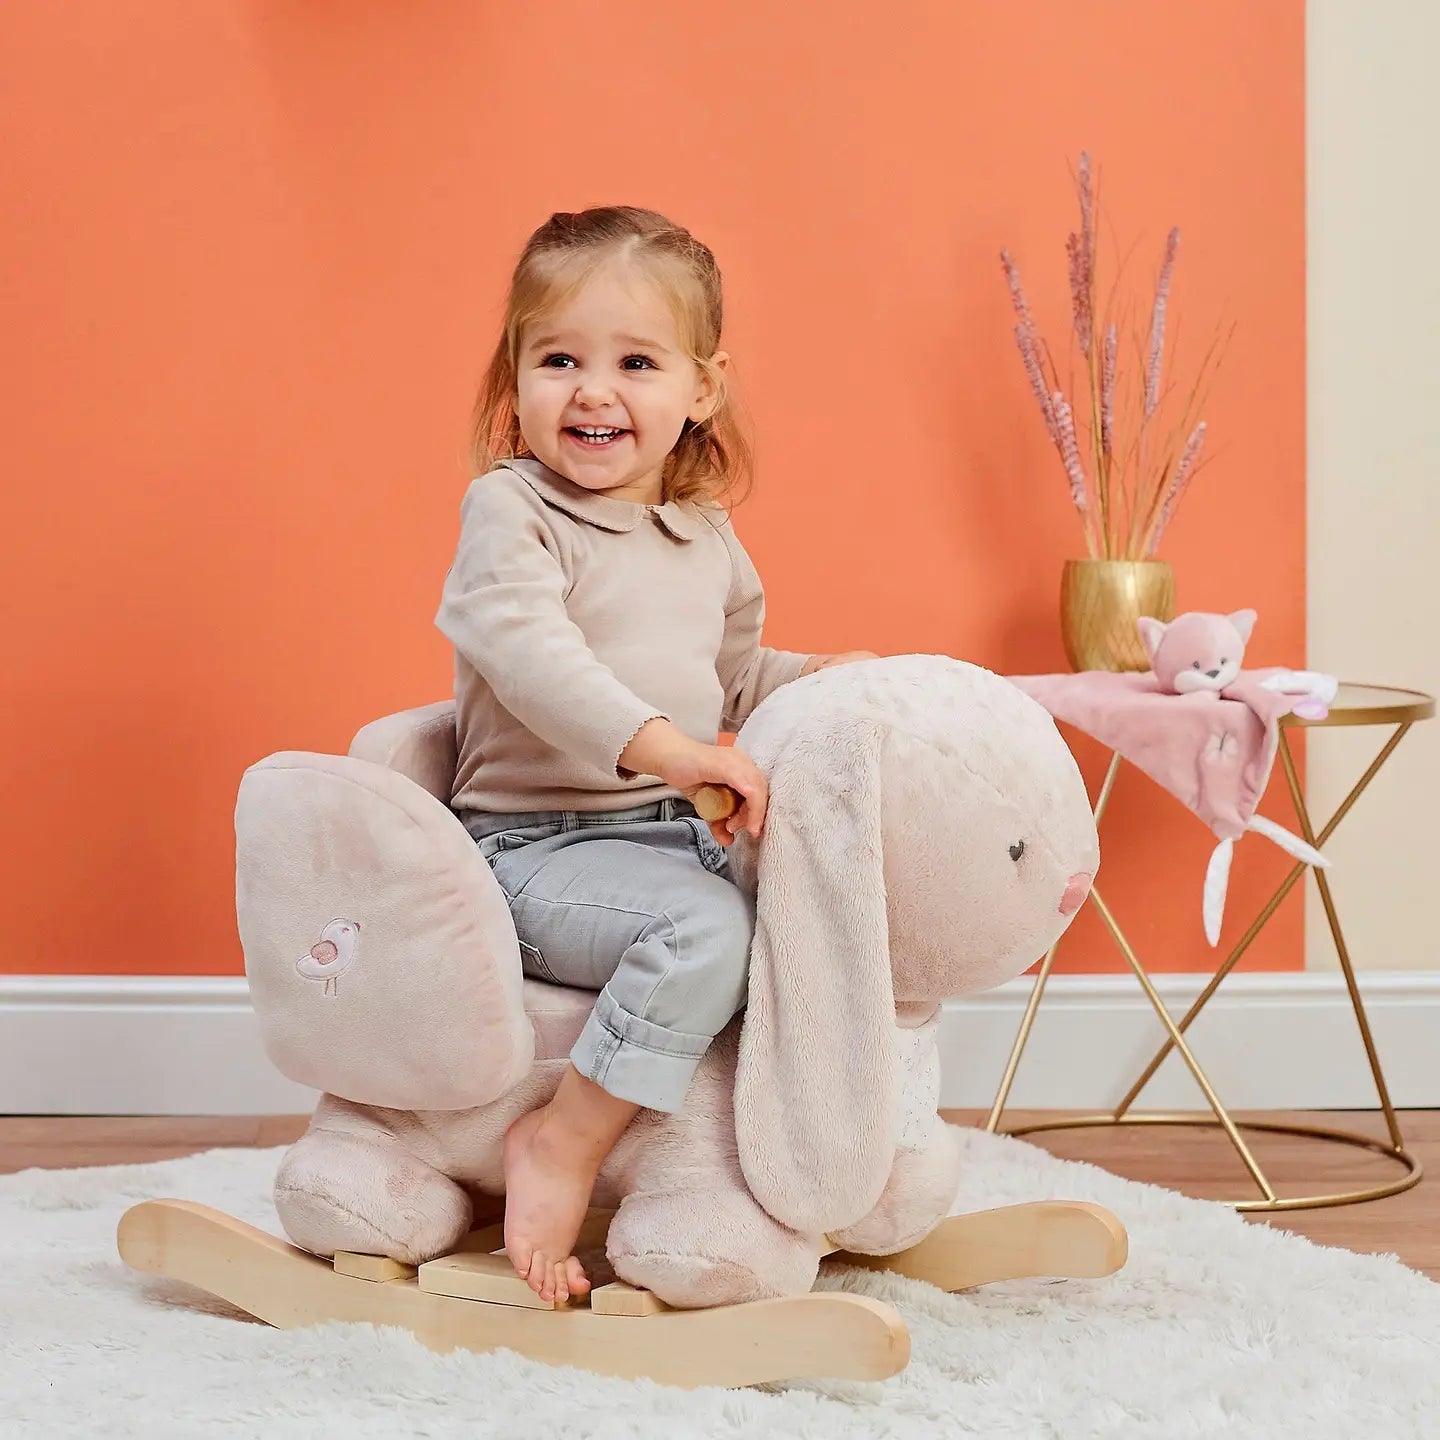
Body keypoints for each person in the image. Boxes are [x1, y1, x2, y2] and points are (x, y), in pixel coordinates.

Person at [435, 206, 876, 1304]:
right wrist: (676, 755)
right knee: (704, 931)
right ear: (516, 380)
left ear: (701, 390)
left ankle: (824, 1162)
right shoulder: (511, 514)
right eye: (559, 360)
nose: (594, 390)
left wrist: (835, 681)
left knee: (821, 907)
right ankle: (565, 1139)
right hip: (532, 845)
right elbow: (534, 661)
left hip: (666, 832)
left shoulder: (704, 538)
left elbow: (731, 682)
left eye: (636, 361)